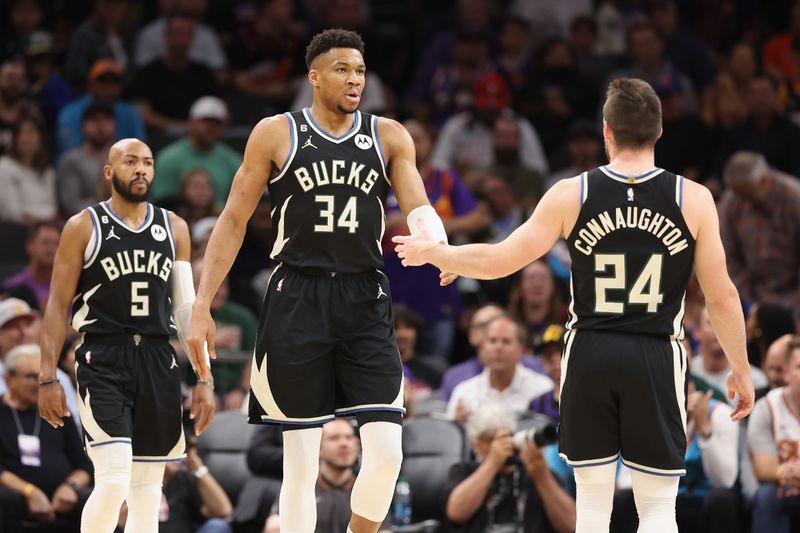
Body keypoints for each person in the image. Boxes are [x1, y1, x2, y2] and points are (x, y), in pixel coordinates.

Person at [395, 77, 755, 532]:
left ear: (606, 130)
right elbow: (722, 295)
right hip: (657, 351)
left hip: (590, 350)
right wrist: (740, 367)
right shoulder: (694, 198)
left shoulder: (572, 193)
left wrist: (442, 255)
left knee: (591, 508)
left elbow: (505, 258)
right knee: (659, 506)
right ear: (659, 131)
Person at [188, 29, 453, 533]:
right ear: (314, 76)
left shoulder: (389, 133)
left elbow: (418, 204)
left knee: (386, 451)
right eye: (342, 70)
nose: (355, 79)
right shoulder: (275, 131)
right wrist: (202, 304)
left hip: (364, 294)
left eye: (360, 71)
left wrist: (436, 244)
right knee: (300, 462)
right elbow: (232, 220)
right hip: (297, 294)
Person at [37, 138, 216, 533]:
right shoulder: (84, 225)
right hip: (104, 356)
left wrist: (204, 377)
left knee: (148, 490)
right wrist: (47, 375)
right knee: (114, 477)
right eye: (130, 161)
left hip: (157, 359)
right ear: (108, 172)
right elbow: (56, 306)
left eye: (148, 163)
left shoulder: (174, 227)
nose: (141, 170)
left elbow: (186, 309)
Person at [0, 344, 92, 532]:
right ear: (8, 379)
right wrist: (29, 492)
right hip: (16, 501)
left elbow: (84, 466)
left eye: (42, 377)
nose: (39, 383)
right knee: (5, 499)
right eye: (31, 377)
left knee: (94, 498)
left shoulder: (55, 411)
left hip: (62, 502)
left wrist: (70, 486)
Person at [445, 403, 576, 532]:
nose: (501, 446)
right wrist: (492, 463)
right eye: (490, 440)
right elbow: (456, 513)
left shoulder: (537, 470)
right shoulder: (463, 471)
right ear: (475, 445)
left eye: (506, 437)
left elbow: (571, 524)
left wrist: (542, 477)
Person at [264, 419, 392, 533]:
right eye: (334, 438)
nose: (344, 444)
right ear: (317, 449)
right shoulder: (301, 485)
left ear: (357, 445)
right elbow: (273, 526)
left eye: (349, 437)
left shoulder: (368, 489)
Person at [447, 314, 553, 425]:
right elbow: (451, 438)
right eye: (492, 341)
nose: (498, 348)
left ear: (520, 350)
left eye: (506, 341)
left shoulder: (542, 389)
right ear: (482, 348)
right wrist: (458, 425)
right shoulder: (464, 393)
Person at [748, 336, 800, 532]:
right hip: (784, 489)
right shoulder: (767, 406)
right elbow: (763, 467)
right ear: (787, 372)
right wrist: (785, 473)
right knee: (766, 496)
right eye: (799, 367)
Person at [56, 102, 116, 217]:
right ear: (82, 126)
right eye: (94, 120)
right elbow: (72, 206)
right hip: (87, 225)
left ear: (114, 124)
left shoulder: (125, 160)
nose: (100, 126)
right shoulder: (71, 160)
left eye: (106, 120)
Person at [3, 221, 60, 311]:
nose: (51, 249)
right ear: (30, 246)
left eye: (56, 244)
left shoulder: (68, 289)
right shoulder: (11, 288)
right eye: (45, 243)